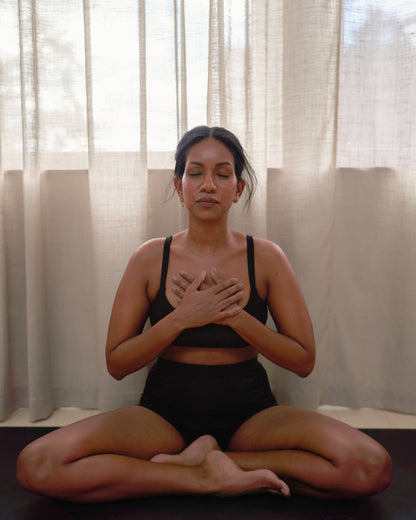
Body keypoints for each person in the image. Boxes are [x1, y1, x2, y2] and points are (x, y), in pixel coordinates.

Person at [16, 126, 391, 502]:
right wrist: (182, 318)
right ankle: (201, 477)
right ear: (179, 187)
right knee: (39, 464)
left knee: (369, 466)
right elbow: (117, 363)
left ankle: (219, 461)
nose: (208, 184)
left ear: (237, 189)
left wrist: (232, 316)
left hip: (252, 415)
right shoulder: (149, 258)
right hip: (163, 415)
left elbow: (303, 360)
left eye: (222, 174)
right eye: (195, 173)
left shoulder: (265, 257)